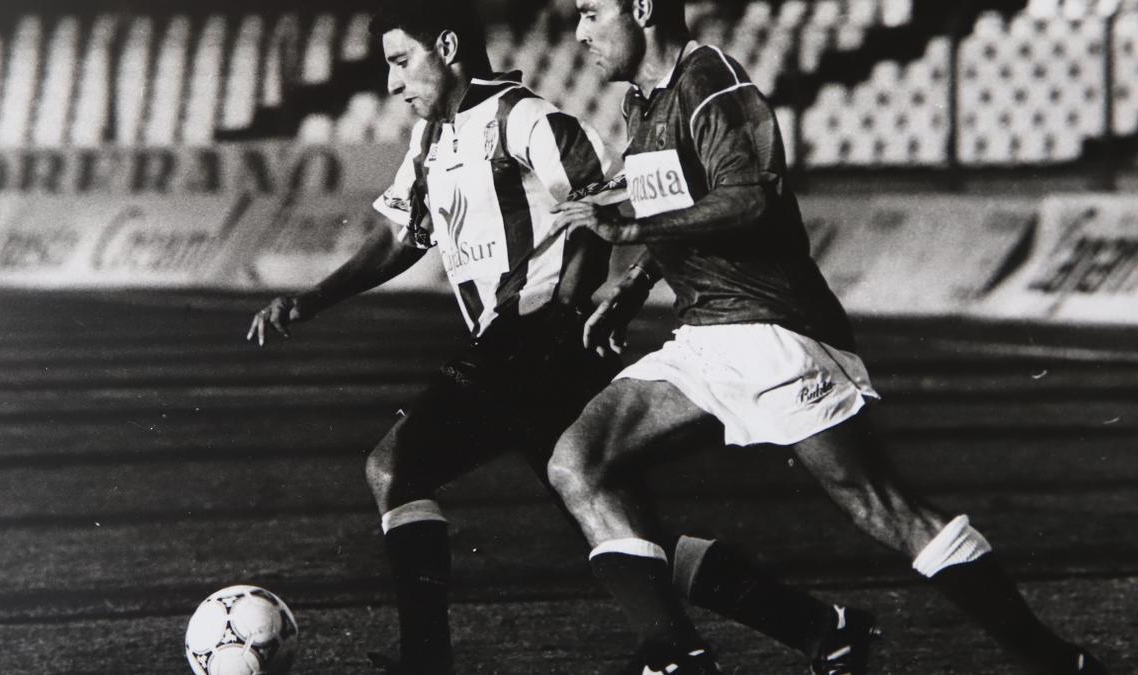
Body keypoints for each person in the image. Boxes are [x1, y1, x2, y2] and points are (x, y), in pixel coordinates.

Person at [247, 2, 872, 674]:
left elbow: (590, 211)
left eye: (402, 61)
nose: (394, 83)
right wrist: (312, 299)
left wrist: (565, 311)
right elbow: (403, 237)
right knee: (624, 525)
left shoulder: (524, 116)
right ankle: (817, 627)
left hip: (532, 337)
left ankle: (434, 660)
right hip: (524, 349)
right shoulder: (429, 139)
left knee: (393, 469)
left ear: (448, 47)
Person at [546, 1, 1109, 674]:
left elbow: (751, 196)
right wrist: (635, 283)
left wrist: (630, 232)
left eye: (589, 11)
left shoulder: (711, 81)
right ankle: (679, 654)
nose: (579, 34)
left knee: (879, 504)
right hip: (705, 333)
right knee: (578, 460)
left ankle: (1053, 660)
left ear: (640, 7)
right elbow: (679, 206)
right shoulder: (643, 103)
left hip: (778, 330)